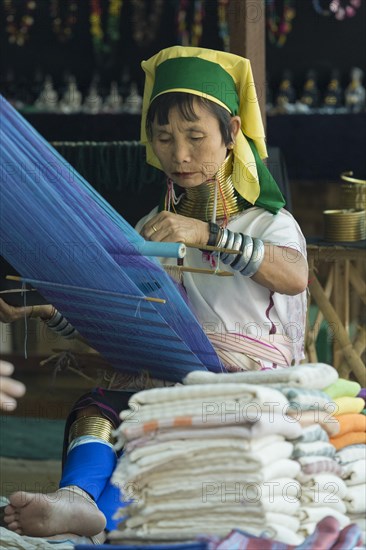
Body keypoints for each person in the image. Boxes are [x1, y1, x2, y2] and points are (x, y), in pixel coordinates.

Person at [3, 46, 308, 541]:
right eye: (164, 137)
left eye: (195, 136)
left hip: (246, 385)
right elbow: (129, 314)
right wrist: (46, 312)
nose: (179, 154)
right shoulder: (152, 228)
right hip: (169, 374)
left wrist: (207, 234)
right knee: (96, 408)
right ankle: (77, 499)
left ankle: (108, 516)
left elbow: (294, 276)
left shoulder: (269, 223)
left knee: (164, 424)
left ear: (232, 133)